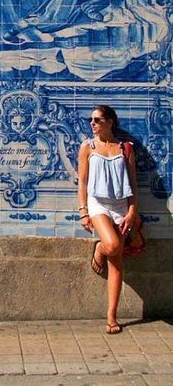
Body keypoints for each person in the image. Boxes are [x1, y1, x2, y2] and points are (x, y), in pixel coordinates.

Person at [77, 105, 138, 335]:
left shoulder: (125, 149)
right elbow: (82, 182)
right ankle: (100, 249)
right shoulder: (88, 147)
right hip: (98, 204)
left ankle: (111, 315)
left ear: (110, 122)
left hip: (120, 206)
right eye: (91, 119)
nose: (92, 123)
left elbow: (132, 184)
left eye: (97, 120)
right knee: (112, 245)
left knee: (118, 260)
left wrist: (132, 211)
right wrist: (83, 211)